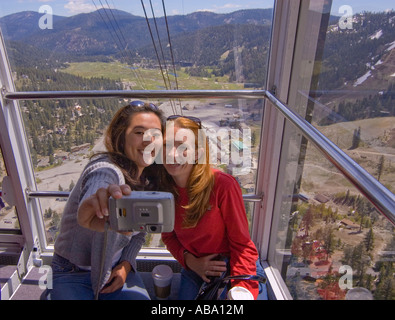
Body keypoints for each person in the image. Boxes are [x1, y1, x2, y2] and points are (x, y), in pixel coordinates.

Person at [49, 101, 165, 300]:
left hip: (114, 270)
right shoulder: (107, 168)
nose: (148, 140)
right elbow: (101, 178)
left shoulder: (149, 182)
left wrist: (125, 266)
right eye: (139, 133)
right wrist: (95, 201)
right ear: (121, 138)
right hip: (71, 271)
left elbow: (138, 234)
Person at [160, 115, 265, 300]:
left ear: (198, 153)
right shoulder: (164, 190)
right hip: (194, 268)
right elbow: (168, 236)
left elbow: (242, 245)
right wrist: (192, 262)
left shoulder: (222, 186)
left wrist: (242, 288)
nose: (172, 154)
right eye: (167, 145)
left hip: (233, 265)